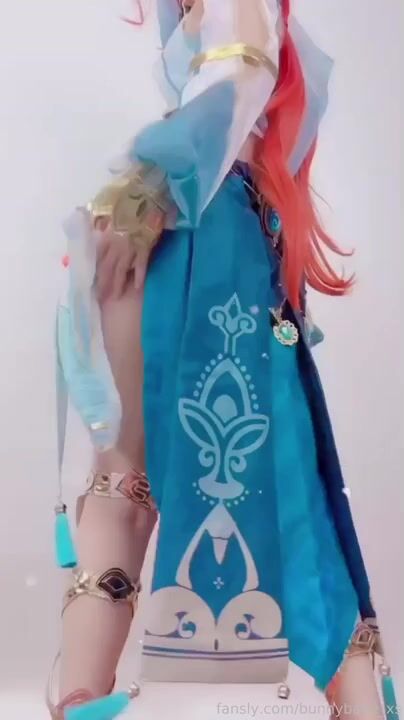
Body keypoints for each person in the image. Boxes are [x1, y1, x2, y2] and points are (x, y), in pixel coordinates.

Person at [48, 1, 399, 718]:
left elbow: (237, 81)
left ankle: (81, 692)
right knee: (287, 481)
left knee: (123, 478)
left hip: (174, 220)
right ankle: (361, 700)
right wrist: (156, 188)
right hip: (196, 231)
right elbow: (244, 87)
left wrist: (152, 186)